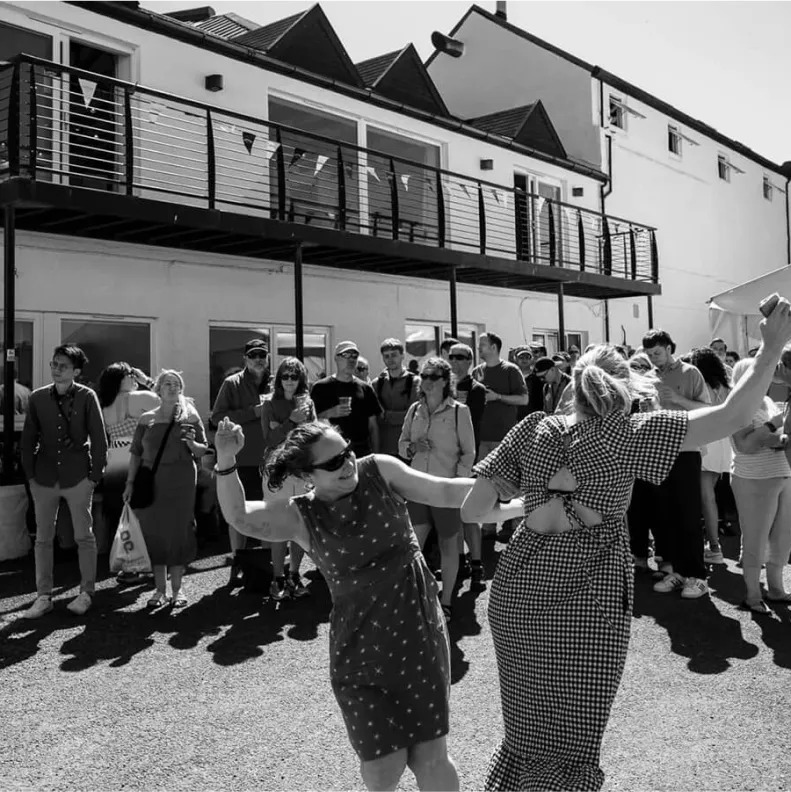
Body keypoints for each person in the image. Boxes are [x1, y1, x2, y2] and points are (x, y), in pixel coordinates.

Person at [460, 298, 791, 791]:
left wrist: (533, 504)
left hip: (518, 594)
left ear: (575, 386)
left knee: (526, 735)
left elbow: (472, 510)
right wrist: (771, 347)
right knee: (573, 742)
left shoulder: (534, 427)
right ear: (628, 387)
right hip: (586, 598)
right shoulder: (633, 433)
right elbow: (733, 415)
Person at [214, 416, 477, 792]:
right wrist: (226, 459)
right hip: (360, 651)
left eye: (348, 452)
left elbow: (447, 492)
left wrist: (504, 483)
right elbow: (239, 517)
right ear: (308, 476)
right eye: (333, 462)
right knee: (383, 766)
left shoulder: (379, 471)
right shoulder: (300, 515)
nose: (348, 464)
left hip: (418, 635)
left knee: (429, 756)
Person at [20, 345, 108, 618]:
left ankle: (86, 592)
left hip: (78, 475)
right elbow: (27, 438)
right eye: (54, 364)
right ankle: (43, 596)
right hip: (44, 477)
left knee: (84, 535)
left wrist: (94, 476)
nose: (57, 369)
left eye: (64, 366)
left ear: (76, 371)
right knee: (44, 539)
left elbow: (99, 438)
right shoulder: (37, 398)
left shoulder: (87, 396)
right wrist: (30, 475)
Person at [399, 357, 475, 620]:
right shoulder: (414, 410)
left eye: (433, 376)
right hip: (418, 487)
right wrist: (412, 447)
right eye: (424, 375)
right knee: (413, 547)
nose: (426, 381)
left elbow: (469, 453)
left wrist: (457, 484)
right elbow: (401, 445)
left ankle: (446, 600)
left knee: (448, 545)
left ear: (445, 381)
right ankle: (415, 596)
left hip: (445, 490)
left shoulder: (459, 411)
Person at [125, 370, 208, 608]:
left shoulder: (190, 416)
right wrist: (129, 484)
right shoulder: (146, 419)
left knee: (179, 531)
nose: (172, 388)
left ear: (180, 390)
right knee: (155, 531)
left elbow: (203, 450)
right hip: (152, 482)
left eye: (176, 384)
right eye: (167, 384)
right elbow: (135, 455)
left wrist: (192, 443)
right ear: (158, 389)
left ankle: (177, 590)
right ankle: (159, 590)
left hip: (182, 480)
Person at [643, 328, 712, 599]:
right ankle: (677, 572)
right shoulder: (647, 377)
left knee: (688, 514)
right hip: (658, 452)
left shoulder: (691, 373)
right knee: (665, 516)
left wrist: (679, 400)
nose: (653, 359)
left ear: (670, 348)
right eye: (649, 355)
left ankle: (697, 576)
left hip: (686, 450)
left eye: (657, 353)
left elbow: (706, 410)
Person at [729, 358, 791, 613]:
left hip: (781, 476)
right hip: (754, 479)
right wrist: (774, 426)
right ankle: (753, 596)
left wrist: (779, 437)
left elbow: (772, 438)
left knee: (782, 538)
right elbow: (744, 445)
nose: (768, 376)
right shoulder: (737, 406)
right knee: (755, 538)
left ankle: (776, 590)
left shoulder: (764, 401)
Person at [211, 339, 270, 584]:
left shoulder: (277, 382)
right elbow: (216, 418)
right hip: (242, 459)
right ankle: (237, 561)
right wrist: (254, 412)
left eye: (262, 355)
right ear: (245, 359)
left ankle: (269, 564)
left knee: (269, 510)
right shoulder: (232, 383)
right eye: (253, 355)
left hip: (271, 460)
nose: (258, 359)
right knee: (238, 513)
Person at [261, 357, 315, 600]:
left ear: (301, 378)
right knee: (280, 525)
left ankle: (294, 574)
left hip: (301, 470)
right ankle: (277, 577)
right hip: (278, 471)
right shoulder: (269, 404)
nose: (290, 380)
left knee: (299, 526)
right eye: (285, 376)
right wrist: (291, 421)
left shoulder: (307, 402)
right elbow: (271, 440)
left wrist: (291, 427)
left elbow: (311, 438)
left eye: (295, 376)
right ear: (278, 378)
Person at [97, 362, 160, 568]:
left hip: (114, 460)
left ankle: (124, 561)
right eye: (130, 374)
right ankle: (145, 560)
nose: (134, 377)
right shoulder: (140, 397)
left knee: (120, 512)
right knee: (144, 509)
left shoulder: (104, 404)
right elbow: (176, 405)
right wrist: (148, 382)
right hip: (139, 459)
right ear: (119, 380)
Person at [472, 331, 528, 544]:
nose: (479, 349)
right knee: (485, 483)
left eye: (482, 345)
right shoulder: (478, 371)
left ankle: (512, 525)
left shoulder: (510, 370)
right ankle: (487, 526)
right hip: (482, 438)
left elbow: (524, 399)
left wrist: (498, 397)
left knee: (508, 483)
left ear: (494, 347)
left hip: (504, 438)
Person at [689, 347, 732, 565]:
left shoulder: (701, 385)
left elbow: (702, 411)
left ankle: (714, 547)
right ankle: (713, 545)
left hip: (707, 442)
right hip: (723, 444)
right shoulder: (726, 386)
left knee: (706, 498)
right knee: (710, 497)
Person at [449, 342, 487, 586]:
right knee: (452, 514)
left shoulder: (477, 388)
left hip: (467, 457)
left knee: (469, 514)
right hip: (444, 458)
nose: (455, 361)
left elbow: (471, 421)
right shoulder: (443, 386)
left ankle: (477, 565)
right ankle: (460, 560)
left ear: (469, 361)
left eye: (461, 357)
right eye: (451, 356)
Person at [311, 341, 382, 457]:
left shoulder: (366, 388)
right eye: (346, 355)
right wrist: (330, 413)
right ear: (336, 358)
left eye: (354, 356)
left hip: (361, 452)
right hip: (330, 453)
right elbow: (310, 423)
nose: (351, 360)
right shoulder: (320, 388)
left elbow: (373, 426)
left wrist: (375, 457)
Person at [373, 338, 419, 458]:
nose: (390, 359)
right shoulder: (377, 384)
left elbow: (413, 416)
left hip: (408, 449)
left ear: (403, 355)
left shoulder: (415, 382)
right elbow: (375, 417)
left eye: (394, 355)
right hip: (383, 448)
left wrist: (387, 416)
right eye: (386, 356)